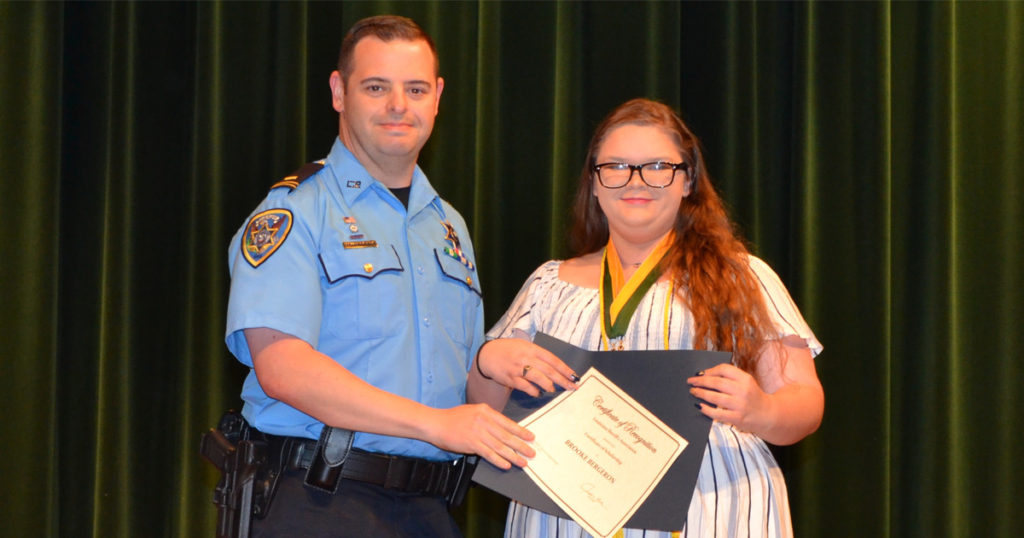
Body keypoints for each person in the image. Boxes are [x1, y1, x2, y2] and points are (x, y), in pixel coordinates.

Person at [223, 15, 573, 537]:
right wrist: (434, 424)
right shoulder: (296, 212)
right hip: (320, 501)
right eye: (376, 87)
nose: (397, 106)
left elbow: (467, 403)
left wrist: (490, 364)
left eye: (414, 89)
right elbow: (283, 368)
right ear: (339, 92)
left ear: (437, 97)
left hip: (430, 508)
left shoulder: (447, 226)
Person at [469, 98, 825, 537]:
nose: (635, 181)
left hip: (711, 512)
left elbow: (805, 403)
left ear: (688, 179)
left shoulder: (742, 276)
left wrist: (761, 408)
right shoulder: (547, 286)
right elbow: (484, 411)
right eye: (615, 166)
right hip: (563, 515)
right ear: (594, 183)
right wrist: (490, 360)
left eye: (658, 166)